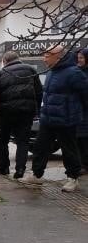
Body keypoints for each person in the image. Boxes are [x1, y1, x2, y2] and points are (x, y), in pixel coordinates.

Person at [24, 45, 88, 192]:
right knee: (40, 147)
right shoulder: (52, 72)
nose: (44, 58)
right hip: (48, 119)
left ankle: (73, 178)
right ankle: (37, 175)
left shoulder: (74, 73)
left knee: (69, 150)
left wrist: (78, 112)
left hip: (66, 119)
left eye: (47, 55)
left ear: (58, 56)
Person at [0, 50, 42, 178]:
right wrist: (36, 110)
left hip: (6, 113)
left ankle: (4, 168)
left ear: (4, 61)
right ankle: (20, 169)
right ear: (18, 59)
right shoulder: (31, 70)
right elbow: (39, 92)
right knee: (23, 141)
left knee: (3, 140)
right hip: (26, 112)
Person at [77, 48, 88, 174]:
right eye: (78, 57)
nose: (79, 60)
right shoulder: (77, 71)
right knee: (79, 139)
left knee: (84, 139)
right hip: (79, 110)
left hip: (85, 110)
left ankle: (84, 165)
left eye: (81, 58)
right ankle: (80, 164)